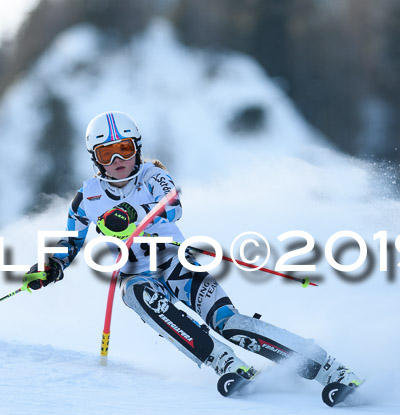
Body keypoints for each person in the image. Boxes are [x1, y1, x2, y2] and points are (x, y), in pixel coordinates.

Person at [26, 111, 363, 396]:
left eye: (125, 149)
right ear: (94, 158)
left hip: (176, 263)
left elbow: (172, 206)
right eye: (106, 154)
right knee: (137, 294)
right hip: (137, 273)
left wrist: (132, 213)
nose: (118, 161)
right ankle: (224, 362)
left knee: (229, 323)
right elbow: (72, 240)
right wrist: (51, 265)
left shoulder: (153, 175)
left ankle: (329, 368)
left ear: (137, 148)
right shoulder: (88, 196)